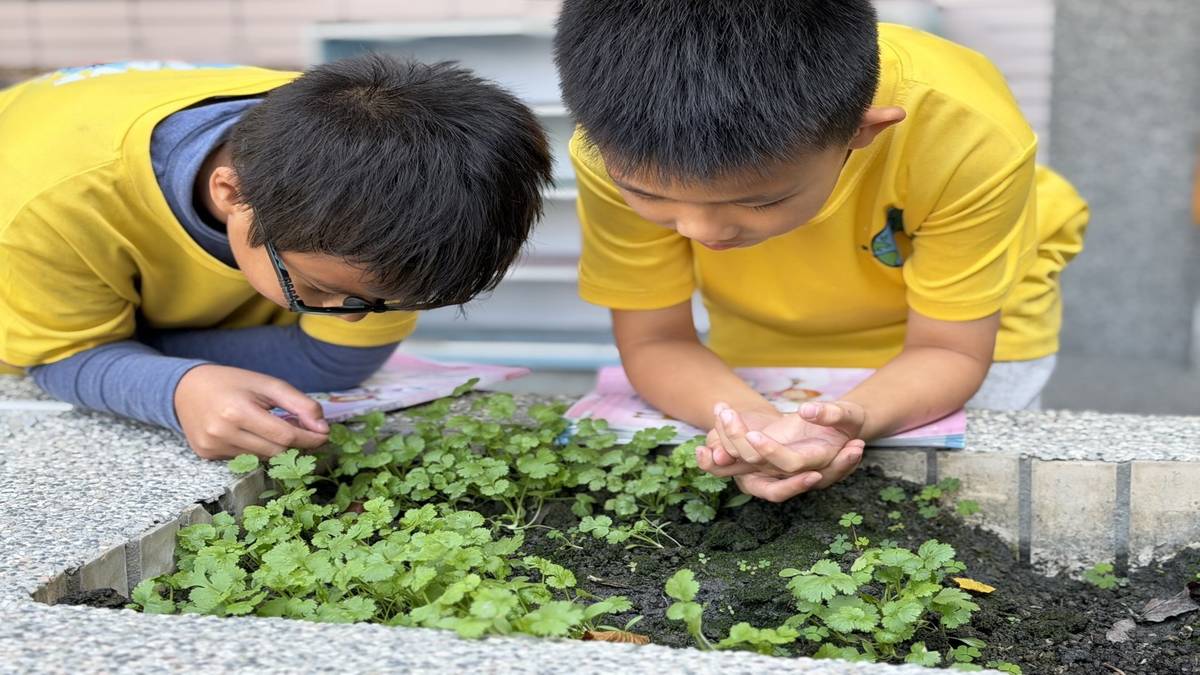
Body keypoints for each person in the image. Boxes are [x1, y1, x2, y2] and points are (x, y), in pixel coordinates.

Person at [553, 0, 1088, 502]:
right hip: (766, 310)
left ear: (863, 132)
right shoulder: (613, 150)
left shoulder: (968, 136)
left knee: (970, 487)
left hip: (971, 324)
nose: (700, 231)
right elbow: (656, 341)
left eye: (758, 201)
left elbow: (951, 351)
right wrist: (750, 426)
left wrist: (857, 420)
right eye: (649, 195)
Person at [0, 55, 551, 459]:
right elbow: (57, 358)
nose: (356, 316)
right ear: (231, 194)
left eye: (384, 302)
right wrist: (175, 387)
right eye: (312, 288)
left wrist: (130, 354)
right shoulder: (48, 207)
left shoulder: (390, 188)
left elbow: (337, 361)